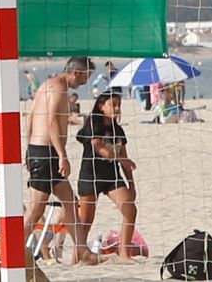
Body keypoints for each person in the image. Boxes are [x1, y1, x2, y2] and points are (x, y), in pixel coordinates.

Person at [21, 57, 97, 264]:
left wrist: (29, 150)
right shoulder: (58, 88)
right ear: (76, 72)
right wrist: (62, 155)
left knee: (71, 203)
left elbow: (30, 118)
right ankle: (11, 251)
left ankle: (83, 252)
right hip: (47, 153)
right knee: (36, 209)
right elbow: (52, 121)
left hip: (41, 152)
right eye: (85, 77)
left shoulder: (47, 85)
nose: (85, 82)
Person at [74, 91, 138, 261]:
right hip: (90, 176)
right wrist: (121, 159)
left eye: (118, 105)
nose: (117, 108)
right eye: (112, 104)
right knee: (86, 221)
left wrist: (131, 184)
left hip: (112, 177)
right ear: (101, 107)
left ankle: (125, 254)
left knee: (130, 210)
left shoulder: (118, 130)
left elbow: (124, 157)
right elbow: (99, 148)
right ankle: (76, 257)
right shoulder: (93, 125)